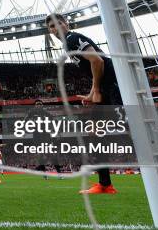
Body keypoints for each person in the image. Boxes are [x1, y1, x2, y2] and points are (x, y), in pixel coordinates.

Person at [46, 14, 117, 194]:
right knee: (95, 132)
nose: (55, 29)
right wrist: (92, 92)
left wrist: (96, 90)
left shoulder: (72, 38)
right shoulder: (68, 44)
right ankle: (105, 184)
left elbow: (97, 60)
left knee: (136, 131)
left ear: (66, 24)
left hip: (115, 87)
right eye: (51, 27)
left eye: (57, 24)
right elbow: (95, 64)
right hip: (107, 88)